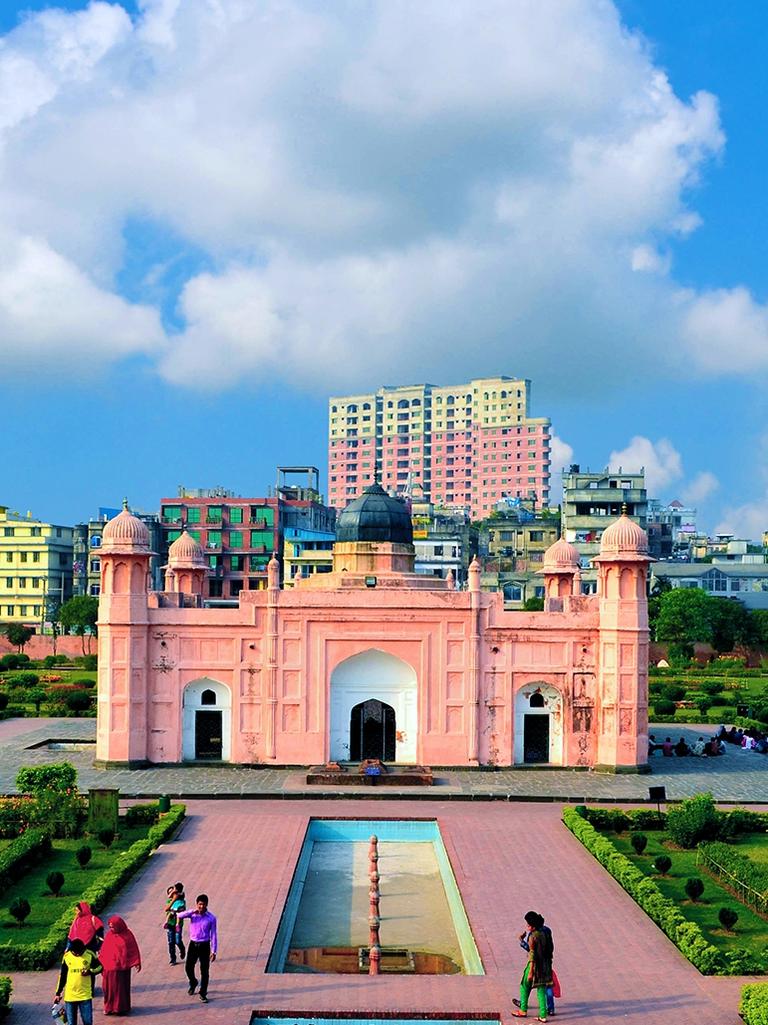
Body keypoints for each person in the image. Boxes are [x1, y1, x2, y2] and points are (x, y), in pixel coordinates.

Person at [512, 911, 553, 1022]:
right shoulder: (547, 931)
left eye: (528, 925)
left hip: (535, 967)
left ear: (533, 926)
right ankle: (543, 1016)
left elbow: (532, 954)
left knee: (524, 986)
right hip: (546, 965)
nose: (527, 927)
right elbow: (550, 949)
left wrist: (530, 971)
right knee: (541, 990)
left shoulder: (533, 937)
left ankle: (523, 1010)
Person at [178, 894, 218, 1003]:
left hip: (205, 945)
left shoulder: (211, 918)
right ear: (197, 904)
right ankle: (193, 982)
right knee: (188, 967)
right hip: (193, 944)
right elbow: (179, 916)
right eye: (199, 904)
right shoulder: (193, 915)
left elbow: (214, 934)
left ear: (206, 905)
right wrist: (191, 912)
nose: (201, 906)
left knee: (204, 971)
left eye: (203, 904)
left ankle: (203, 993)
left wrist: (214, 951)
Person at [54, 937, 103, 1025]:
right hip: (70, 996)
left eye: (79, 953)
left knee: (87, 1022)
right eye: (75, 953)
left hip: (85, 995)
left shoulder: (89, 954)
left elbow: (100, 967)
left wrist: (90, 972)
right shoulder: (67, 957)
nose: (77, 955)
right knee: (71, 1023)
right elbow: (63, 976)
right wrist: (58, 993)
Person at [100, 915, 141, 1015]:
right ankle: (109, 1007)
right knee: (109, 989)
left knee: (121, 989)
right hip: (109, 968)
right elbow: (104, 951)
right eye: (110, 927)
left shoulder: (127, 935)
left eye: (113, 927)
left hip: (122, 968)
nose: (111, 928)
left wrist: (136, 962)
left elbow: (133, 949)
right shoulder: (109, 936)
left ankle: (120, 1008)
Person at [165, 883, 187, 965]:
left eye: (174, 892)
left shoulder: (182, 901)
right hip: (170, 924)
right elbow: (166, 909)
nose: (173, 894)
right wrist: (173, 900)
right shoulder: (169, 901)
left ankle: (182, 949)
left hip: (178, 925)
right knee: (171, 942)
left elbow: (182, 910)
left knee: (178, 941)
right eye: (171, 893)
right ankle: (173, 959)